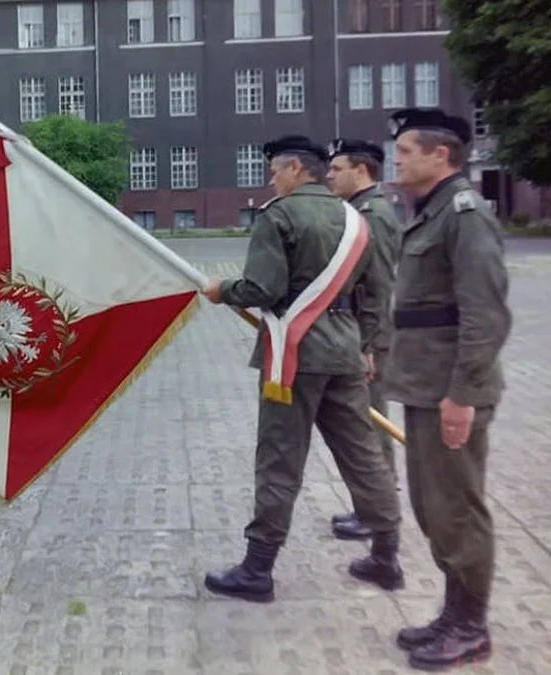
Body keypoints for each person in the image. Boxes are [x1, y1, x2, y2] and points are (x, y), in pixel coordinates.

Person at [200, 135, 404, 603]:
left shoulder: (280, 215)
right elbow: (375, 294)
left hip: (295, 358)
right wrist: (366, 346)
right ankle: (387, 556)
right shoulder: (355, 218)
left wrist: (222, 289)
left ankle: (257, 570)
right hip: (346, 352)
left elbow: (261, 288)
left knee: (279, 460)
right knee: (364, 455)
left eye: (275, 169)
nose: (271, 178)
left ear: (295, 169)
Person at [384, 108, 511, 671]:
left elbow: (485, 316)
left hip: (449, 390)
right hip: (422, 385)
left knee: (456, 509)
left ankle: (471, 627)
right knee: (434, 508)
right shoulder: (431, 212)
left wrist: (463, 394)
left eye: (407, 149)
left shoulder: (465, 215)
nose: (398, 157)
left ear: (441, 154)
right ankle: (453, 612)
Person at [324, 138, 403, 541]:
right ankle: (373, 506)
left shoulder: (375, 213)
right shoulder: (357, 210)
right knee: (362, 422)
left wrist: (368, 345)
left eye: (338, 168)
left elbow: (380, 285)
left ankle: (379, 512)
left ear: (362, 170)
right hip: (358, 332)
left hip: (368, 337)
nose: (330, 175)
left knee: (370, 424)